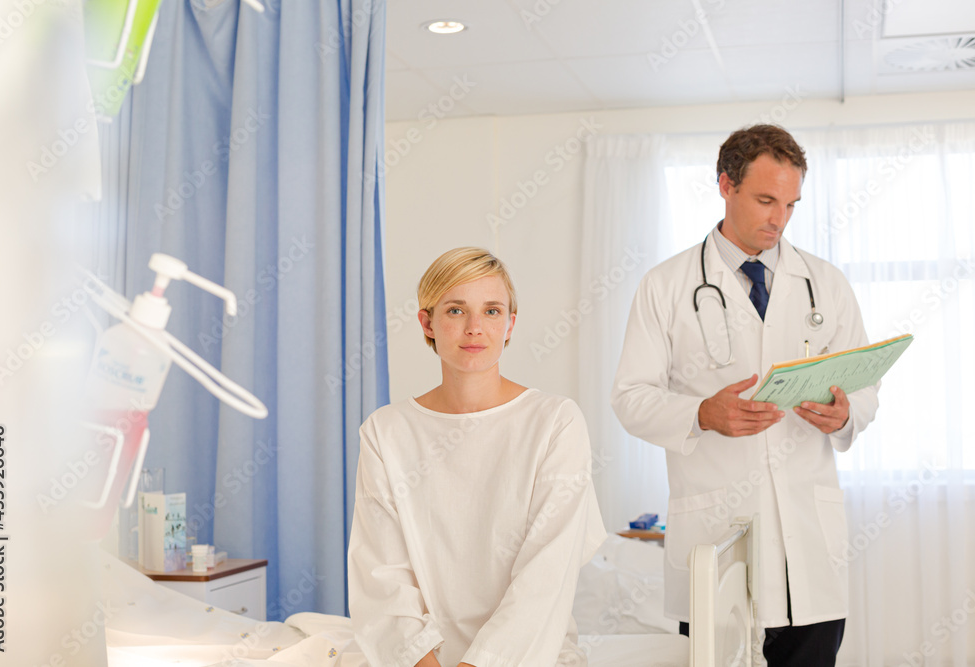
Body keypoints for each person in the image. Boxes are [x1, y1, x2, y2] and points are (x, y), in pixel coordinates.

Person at [610, 125, 879, 666]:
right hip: (716, 536)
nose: (779, 218)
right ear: (725, 185)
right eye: (765, 200)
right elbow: (630, 398)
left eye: (791, 204)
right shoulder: (665, 286)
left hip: (808, 547)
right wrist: (701, 414)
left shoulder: (825, 283)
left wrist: (845, 413)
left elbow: (864, 386)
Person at [348, 247, 606, 667]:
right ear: (427, 323)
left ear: (510, 324)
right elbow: (381, 576)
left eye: (491, 311)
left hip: (527, 656)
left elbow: (547, 574)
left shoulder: (555, 422)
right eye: (455, 310)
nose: (474, 328)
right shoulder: (385, 431)